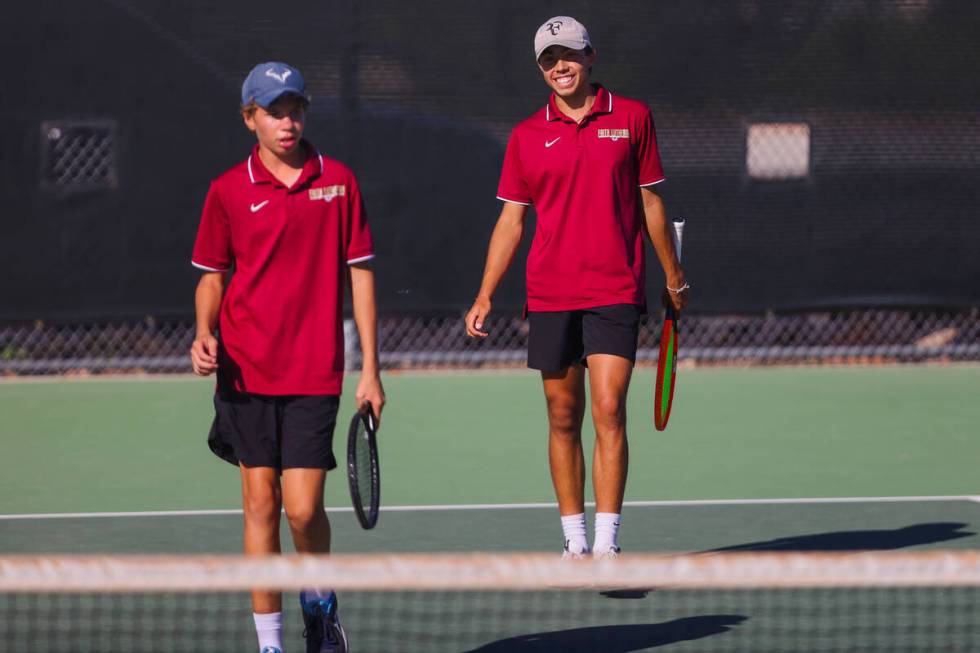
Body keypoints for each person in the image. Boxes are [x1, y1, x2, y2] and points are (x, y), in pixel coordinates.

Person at [464, 17, 689, 559]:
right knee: (563, 417)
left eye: (568, 55)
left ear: (590, 57)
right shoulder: (525, 136)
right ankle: (575, 543)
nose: (559, 66)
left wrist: (673, 276)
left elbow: (652, 203)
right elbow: (511, 220)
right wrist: (485, 293)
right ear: (540, 69)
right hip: (550, 294)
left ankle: (608, 544)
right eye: (548, 59)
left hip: (615, 288)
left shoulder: (632, 118)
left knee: (609, 408)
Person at [190, 61, 384, 653]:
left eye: (296, 107)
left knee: (302, 511)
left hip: (313, 372)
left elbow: (361, 276)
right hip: (244, 373)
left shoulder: (339, 182)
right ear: (250, 118)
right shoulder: (226, 190)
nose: (288, 120)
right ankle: (271, 644)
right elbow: (211, 277)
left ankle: (320, 606)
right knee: (261, 506)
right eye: (275, 110)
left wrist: (372, 370)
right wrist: (203, 331)